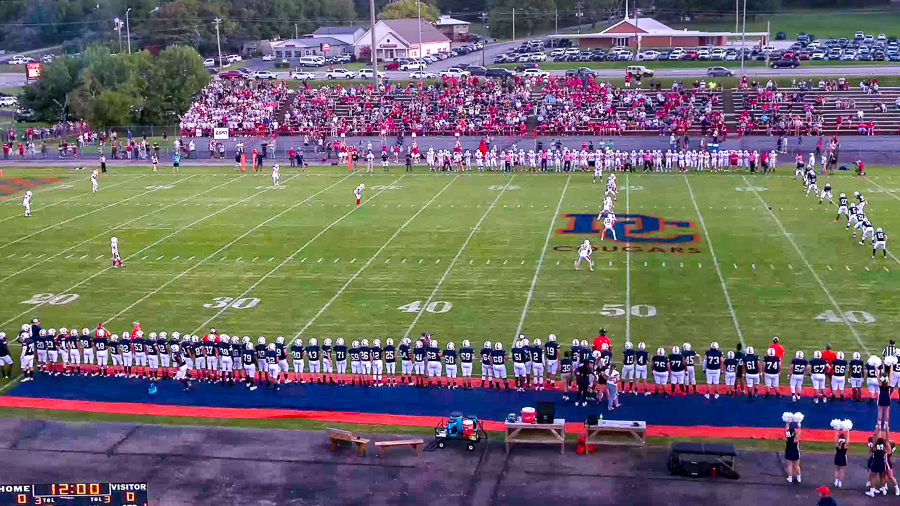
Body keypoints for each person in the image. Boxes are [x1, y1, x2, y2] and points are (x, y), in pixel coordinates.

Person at [832, 421, 849, 488]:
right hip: (843, 458)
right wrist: (847, 430)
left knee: (836, 469)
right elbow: (848, 439)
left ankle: (836, 481)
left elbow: (836, 438)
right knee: (842, 470)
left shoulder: (837, 444)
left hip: (837, 457)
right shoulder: (845, 445)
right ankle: (840, 482)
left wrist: (836, 429)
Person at [785, 418, 802, 483]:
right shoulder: (795, 439)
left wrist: (787, 422)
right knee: (796, 466)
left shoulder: (787, 438)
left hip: (788, 452)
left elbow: (787, 430)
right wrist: (799, 424)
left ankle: (790, 478)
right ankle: (798, 478)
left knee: (789, 465)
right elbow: (799, 432)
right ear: (793, 433)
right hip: (795, 452)